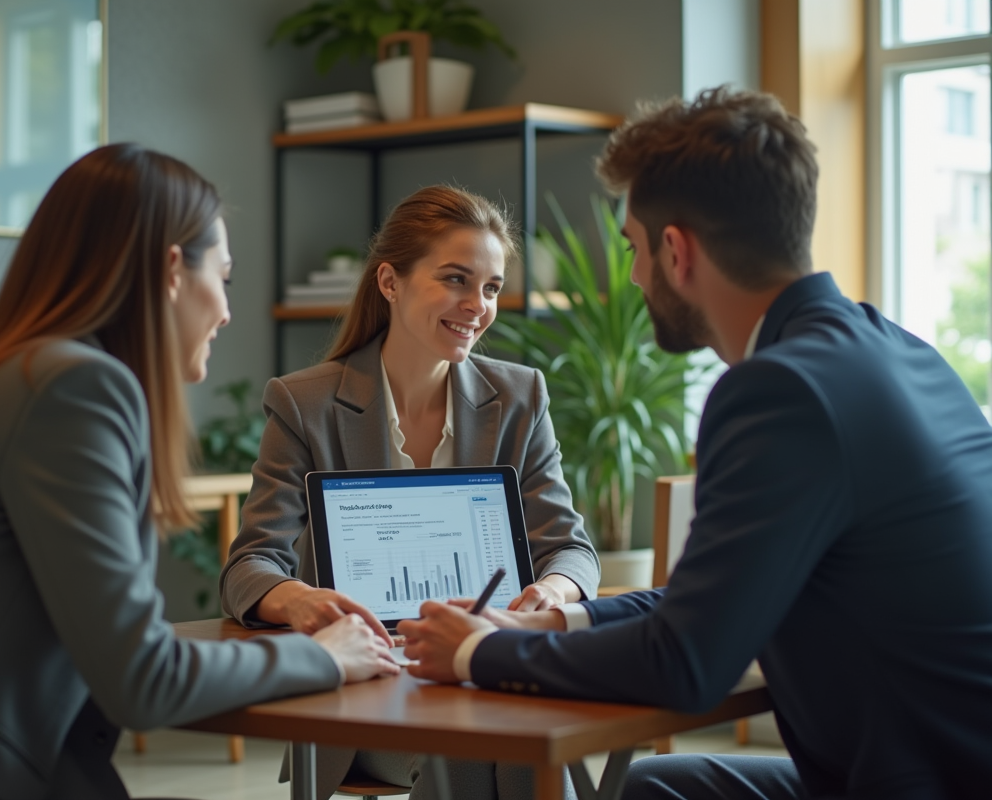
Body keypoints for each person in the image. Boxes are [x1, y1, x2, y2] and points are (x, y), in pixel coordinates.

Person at [400, 87, 992, 800]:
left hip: (924, 783)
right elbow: (702, 604)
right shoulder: (897, 351)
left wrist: (475, 650)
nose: (634, 276)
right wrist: (558, 618)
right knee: (655, 788)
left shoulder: (781, 393)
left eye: (634, 249)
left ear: (676, 250)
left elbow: (687, 661)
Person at [0, 144, 398, 800]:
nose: (226, 310)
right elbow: (142, 678)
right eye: (221, 277)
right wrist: (327, 655)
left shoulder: (22, 372)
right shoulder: (72, 388)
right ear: (171, 270)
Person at [220, 185, 600, 800]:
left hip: (487, 664)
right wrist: (299, 602)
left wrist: (550, 591)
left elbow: (572, 549)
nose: (477, 306)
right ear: (390, 282)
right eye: (456, 279)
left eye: (493, 287)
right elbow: (249, 565)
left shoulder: (521, 398)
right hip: (375, 688)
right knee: (487, 746)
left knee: (516, 738)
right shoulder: (305, 404)